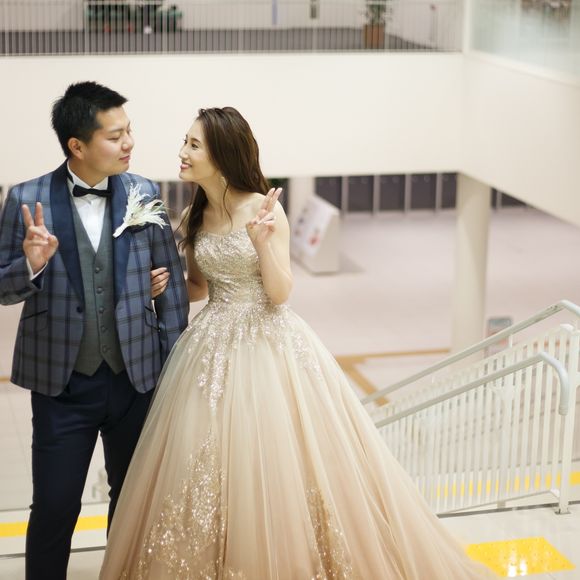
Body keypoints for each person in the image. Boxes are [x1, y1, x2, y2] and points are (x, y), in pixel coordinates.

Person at [100, 107, 495, 579]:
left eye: (194, 144)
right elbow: (200, 287)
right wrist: (154, 288)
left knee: (276, 463)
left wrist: (262, 243)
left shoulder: (263, 209)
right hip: (209, 348)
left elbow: (280, 292)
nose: (182, 152)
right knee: (202, 466)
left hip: (268, 347)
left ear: (221, 155)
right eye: (185, 142)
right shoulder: (195, 214)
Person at [0, 81, 190, 580]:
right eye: (114, 135)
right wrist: (32, 264)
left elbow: (171, 285)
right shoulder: (26, 198)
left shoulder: (143, 192)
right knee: (54, 507)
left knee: (133, 503)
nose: (129, 143)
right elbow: (3, 288)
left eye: (129, 131)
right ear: (77, 146)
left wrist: (172, 366)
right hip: (62, 385)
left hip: (136, 379)